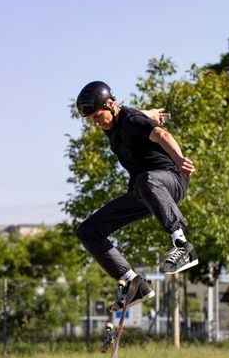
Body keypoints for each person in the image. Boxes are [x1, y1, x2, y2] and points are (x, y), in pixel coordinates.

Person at [74, 81, 198, 312]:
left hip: (170, 181)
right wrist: (149, 112)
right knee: (88, 231)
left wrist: (180, 160)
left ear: (110, 104)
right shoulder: (119, 122)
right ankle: (133, 282)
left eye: (98, 115)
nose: (96, 122)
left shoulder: (130, 119)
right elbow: (130, 115)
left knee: (145, 179)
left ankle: (183, 246)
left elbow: (162, 134)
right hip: (145, 192)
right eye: (91, 119)